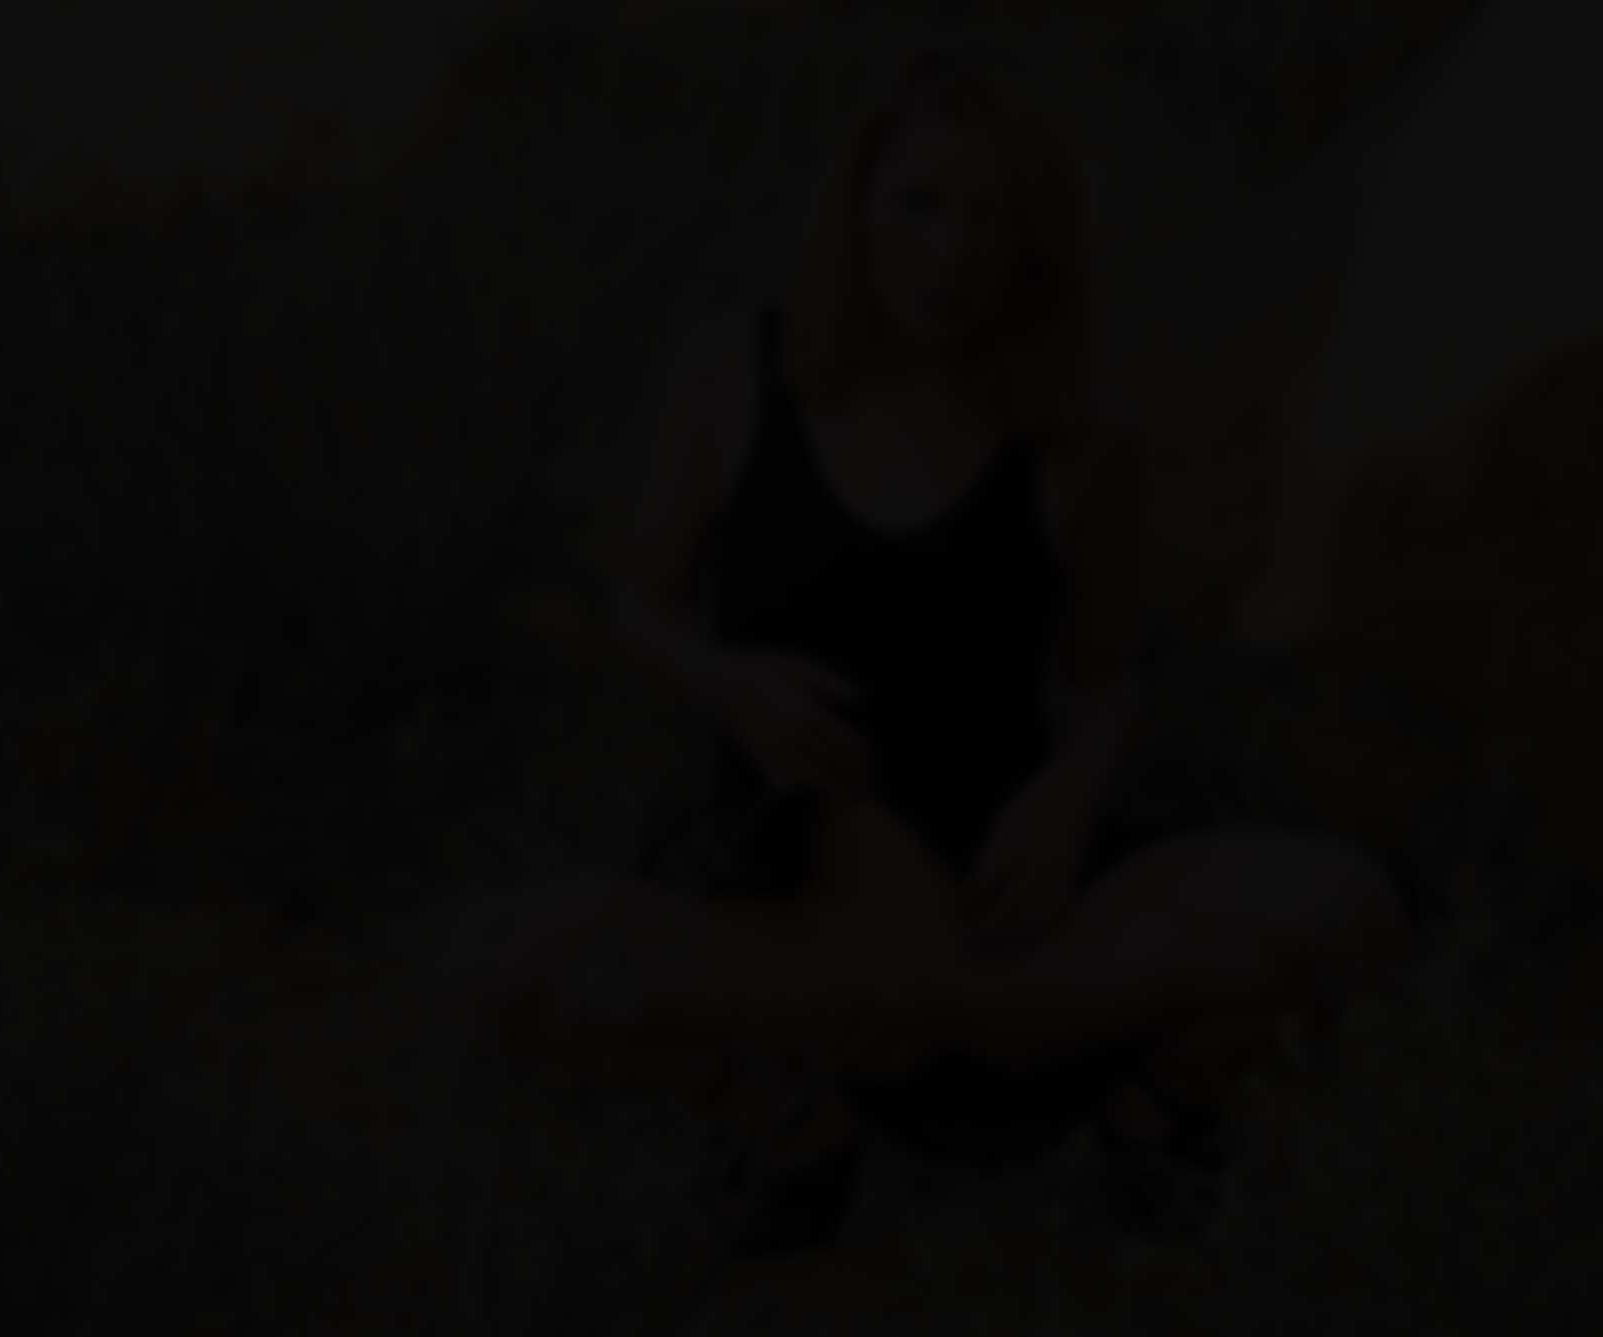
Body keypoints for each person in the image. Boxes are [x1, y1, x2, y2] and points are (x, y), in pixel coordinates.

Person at [483, 48, 1419, 1254]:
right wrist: (729, 685)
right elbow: (634, 605)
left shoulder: (1069, 446)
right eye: (917, 205)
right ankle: (794, 1125)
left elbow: (1099, 680)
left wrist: (1064, 800)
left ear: (1030, 244)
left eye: (988, 215)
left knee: (1348, 910)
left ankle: (1141, 1113)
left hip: (1015, 918)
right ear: (856, 212)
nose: (949, 247)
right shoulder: (740, 377)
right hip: (802, 910)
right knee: (518, 965)